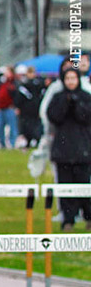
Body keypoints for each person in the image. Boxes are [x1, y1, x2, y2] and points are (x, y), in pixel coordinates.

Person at [46, 67, 91, 231]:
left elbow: (85, 117)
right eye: (68, 79)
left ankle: (88, 216)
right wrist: (66, 102)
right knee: (65, 187)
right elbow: (54, 116)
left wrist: (77, 103)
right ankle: (68, 219)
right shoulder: (58, 98)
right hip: (63, 149)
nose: (70, 82)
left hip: (83, 148)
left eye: (73, 78)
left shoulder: (86, 97)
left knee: (84, 186)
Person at [0, 66, 19, 149]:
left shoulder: (14, 83)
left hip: (9, 108)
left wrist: (15, 105)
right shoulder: (2, 83)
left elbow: (16, 95)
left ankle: (12, 143)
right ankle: (2, 143)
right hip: (1, 108)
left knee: (12, 127)